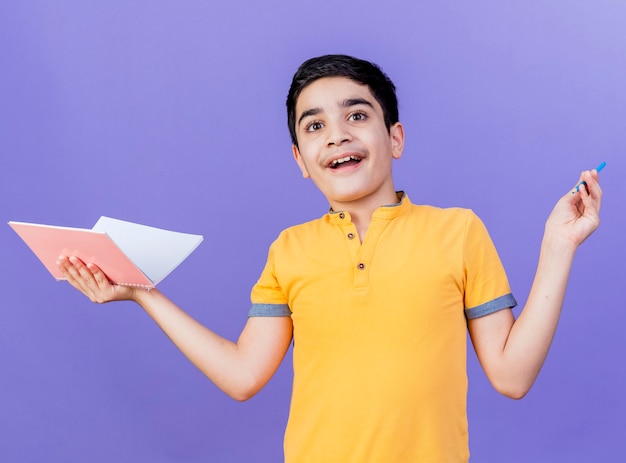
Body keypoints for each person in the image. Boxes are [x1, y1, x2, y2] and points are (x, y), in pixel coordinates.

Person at [57, 54, 603, 462]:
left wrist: (558, 246)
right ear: (301, 159)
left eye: (356, 115)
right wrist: (141, 293)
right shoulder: (289, 250)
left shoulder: (458, 231)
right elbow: (244, 376)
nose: (336, 136)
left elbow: (511, 376)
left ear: (395, 137)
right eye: (314, 125)